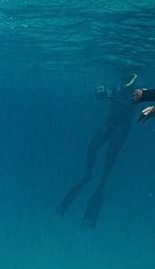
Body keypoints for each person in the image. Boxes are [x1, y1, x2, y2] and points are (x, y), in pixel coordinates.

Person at [56, 69, 138, 227]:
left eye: (126, 76)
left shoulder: (137, 88)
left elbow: (129, 105)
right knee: (92, 148)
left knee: (110, 158)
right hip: (110, 124)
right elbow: (107, 98)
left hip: (121, 129)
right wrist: (99, 93)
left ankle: (101, 186)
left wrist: (109, 95)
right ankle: (88, 176)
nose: (123, 78)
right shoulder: (118, 85)